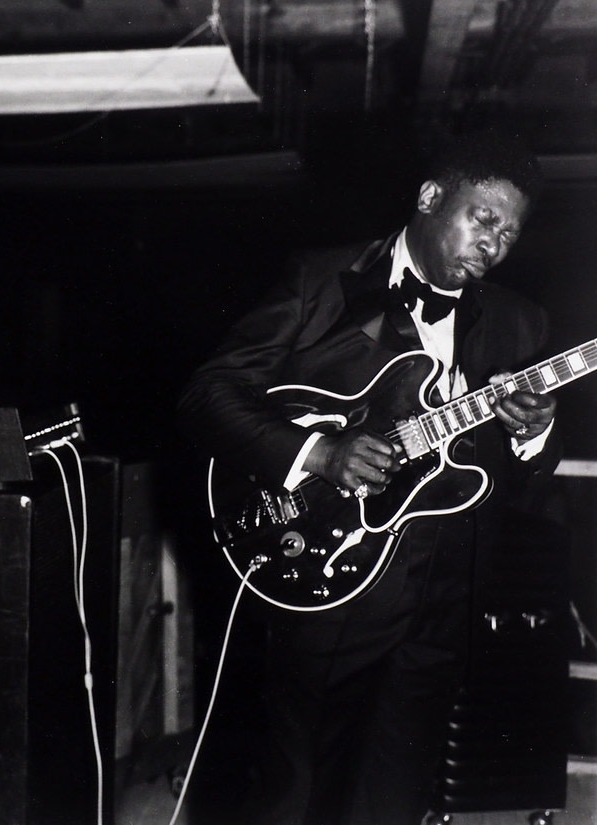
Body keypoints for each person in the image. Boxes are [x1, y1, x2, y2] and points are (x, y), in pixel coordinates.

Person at [177, 129, 561, 825]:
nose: (494, 245)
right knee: (292, 791)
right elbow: (208, 396)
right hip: (327, 574)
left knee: (393, 797)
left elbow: (527, 480)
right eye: (483, 219)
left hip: (443, 598)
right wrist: (318, 454)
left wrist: (532, 431)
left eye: (509, 233)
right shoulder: (318, 281)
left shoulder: (520, 323)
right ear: (430, 197)